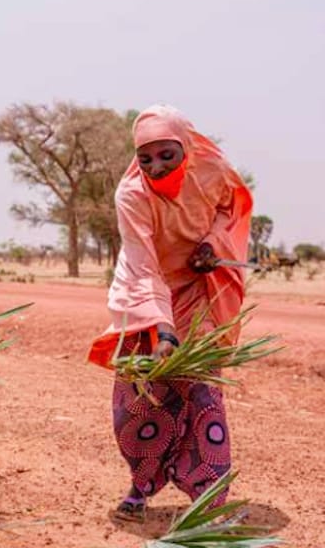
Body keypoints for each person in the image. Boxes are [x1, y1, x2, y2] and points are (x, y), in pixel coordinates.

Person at [87, 105, 253, 522]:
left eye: (167, 155)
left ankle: (209, 499)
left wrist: (213, 246)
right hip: (144, 294)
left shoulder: (213, 168)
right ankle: (140, 486)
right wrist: (164, 332)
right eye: (146, 159)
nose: (156, 167)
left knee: (201, 393)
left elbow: (230, 208)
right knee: (139, 398)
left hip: (196, 289)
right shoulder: (131, 195)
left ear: (187, 148)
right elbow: (144, 265)